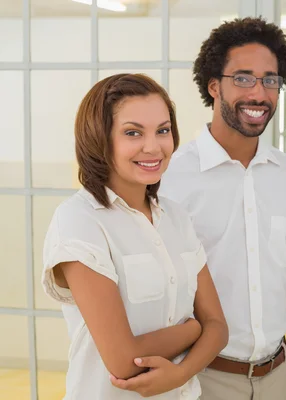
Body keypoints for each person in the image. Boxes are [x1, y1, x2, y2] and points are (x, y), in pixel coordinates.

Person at [159, 17, 286, 400]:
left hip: (279, 376)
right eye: (244, 78)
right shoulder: (171, 178)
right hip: (202, 378)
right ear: (214, 85)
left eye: (270, 79)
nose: (260, 93)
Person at [41, 73, 228, 399]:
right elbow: (124, 361)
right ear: (100, 138)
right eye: (132, 133)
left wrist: (180, 373)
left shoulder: (177, 217)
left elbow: (219, 328)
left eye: (163, 130)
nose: (153, 146)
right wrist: (193, 329)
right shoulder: (79, 221)